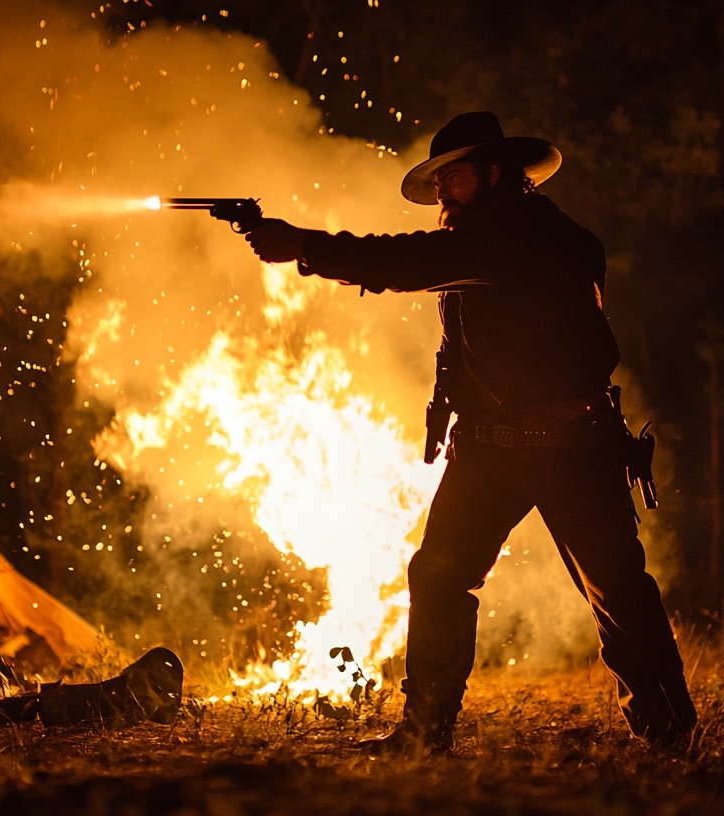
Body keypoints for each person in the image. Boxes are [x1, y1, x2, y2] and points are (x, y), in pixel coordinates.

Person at [246, 111, 697, 756]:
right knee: (438, 574)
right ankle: (425, 729)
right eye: (439, 185)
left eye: (453, 180)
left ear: (494, 174)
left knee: (619, 589)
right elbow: (447, 295)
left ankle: (671, 734)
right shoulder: (487, 236)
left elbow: (410, 261)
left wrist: (305, 246)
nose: (442, 196)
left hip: (572, 443)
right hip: (491, 445)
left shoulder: (528, 235)